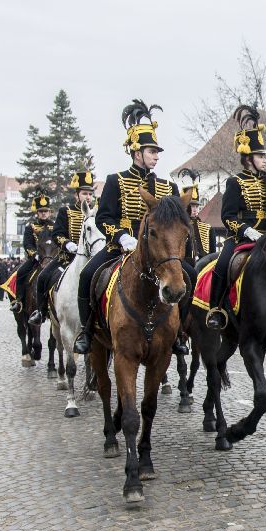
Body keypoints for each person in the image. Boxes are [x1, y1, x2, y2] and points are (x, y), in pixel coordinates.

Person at [74, 100, 185, 355]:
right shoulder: (116, 181)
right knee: (87, 276)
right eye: (151, 151)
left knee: (187, 275)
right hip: (120, 248)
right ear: (137, 153)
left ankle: (179, 334)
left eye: (157, 152)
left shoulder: (169, 188)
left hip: (156, 252)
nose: (157, 156)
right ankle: (87, 331)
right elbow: (103, 218)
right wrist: (122, 237)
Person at [205, 104, 266, 330]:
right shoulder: (235, 183)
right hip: (243, 238)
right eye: (260, 155)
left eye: (265, 155)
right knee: (223, 264)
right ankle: (216, 309)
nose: (265, 159)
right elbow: (228, 216)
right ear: (248, 158)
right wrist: (247, 230)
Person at [30, 167, 97, 325]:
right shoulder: (65, 211)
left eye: (89, 194)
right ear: (76, 194)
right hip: (67, 256)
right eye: (84, 193)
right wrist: (67, 244)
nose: (87, 197)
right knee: (43, 277)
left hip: (92, 256)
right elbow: (57, 234)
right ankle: (41, 311)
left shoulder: (96, 213)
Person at [8, 194, 55, 315]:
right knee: (21, 272)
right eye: (41, 211)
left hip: (52, 258)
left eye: (46, 211)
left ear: (50, 212)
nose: (43, 214)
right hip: (36, 259)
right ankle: (18, 300)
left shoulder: (55, 227)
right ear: (37, 213)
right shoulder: (31, 227)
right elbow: (27, 244)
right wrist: (35, 255)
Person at [181, 182, 215, 262]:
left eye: (196, 206)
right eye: (192, 206)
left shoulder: (207, 228)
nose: (195, 209)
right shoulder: (179, 226)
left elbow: (212, 254)